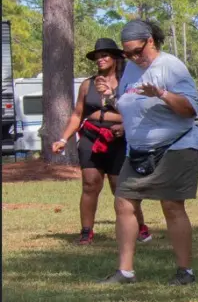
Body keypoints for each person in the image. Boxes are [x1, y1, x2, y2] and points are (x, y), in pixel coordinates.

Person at [100, 20, 198, 286]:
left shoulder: (170, 66)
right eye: (127, 53)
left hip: (175, 147)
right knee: (123, 202)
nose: (133, 57)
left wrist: (162, 93)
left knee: (171, 205)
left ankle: (185, 272)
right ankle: (125, 272)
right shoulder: (131, 70)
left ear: (150, 41)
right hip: (138, 150)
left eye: (137, 51)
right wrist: (116, 104)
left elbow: (191, 109)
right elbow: (131, 105)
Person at [53, 38, 150, 245]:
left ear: (115, 58)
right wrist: (63, 138)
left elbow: (138, 111)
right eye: (97, 57)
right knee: (90, 184)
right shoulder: (88, 84)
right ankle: (86, 231)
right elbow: (77, 115)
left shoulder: (128, 82)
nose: (100, 60)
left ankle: (139, 226)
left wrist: (124, 127)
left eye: (104, 55)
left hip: (119, 139)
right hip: (91, 137)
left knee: (120, 187)